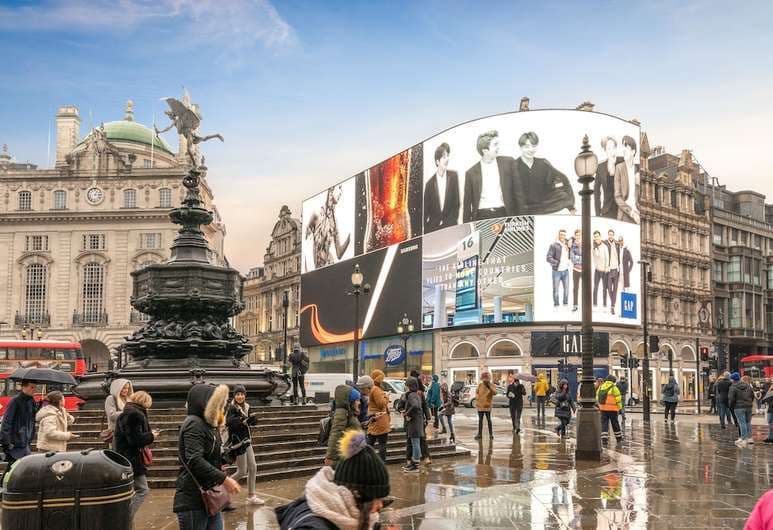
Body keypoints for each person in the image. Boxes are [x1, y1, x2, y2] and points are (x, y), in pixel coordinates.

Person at [275, 429, 390, 530]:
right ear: (355, 494)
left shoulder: (332, 510)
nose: (380, 505)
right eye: (376, 498)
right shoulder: (313, 526)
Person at [174, 383, 241, 529]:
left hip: (209, 495)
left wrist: (228, 455)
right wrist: (225, 479)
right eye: (216, 404)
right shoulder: (194, 423)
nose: (220, 408)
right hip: (194, 500)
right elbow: (195, 460)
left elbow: (208, 455)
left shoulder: (209, 426)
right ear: (204, 403)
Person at [115, 390, 159, 520]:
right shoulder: (135, 415)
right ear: (144, 401)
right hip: (132, 458)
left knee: (130, 490)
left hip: (125, 456)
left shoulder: (128, 412)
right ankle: (123, 518)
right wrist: (152, 436)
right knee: (142, 489)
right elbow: (135, 439)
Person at [462, 130, 524, 222]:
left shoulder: (509, 163)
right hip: (481, 217)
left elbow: (519, 194)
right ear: (485, 151)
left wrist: (523, 218)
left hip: (505, 214)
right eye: (495, 145)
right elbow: (467, 205)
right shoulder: (470, 173)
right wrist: (466, 228)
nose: (498, 147)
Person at [515, 131, 576, 215]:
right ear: (521, 147)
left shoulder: (543, 163)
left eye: (533, 146)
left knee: (563, 196)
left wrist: (570, 205)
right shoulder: (514, 166)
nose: (531, 150)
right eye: (527, 146)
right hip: (526, 207)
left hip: (544, 204)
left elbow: (563, 179)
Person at [225, 385, 263, 505]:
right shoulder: (231, 408)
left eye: (242, 394)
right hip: (238, 443)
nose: (240, 396)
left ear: (245, 395)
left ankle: (251, 496)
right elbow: (230, 423)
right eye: (237, 394)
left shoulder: (247, 406)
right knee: (242, 471)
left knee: (253, 467)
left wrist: (253, 421)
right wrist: (242, 421)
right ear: (234, 396)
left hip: (247, 441)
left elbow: (249, 422)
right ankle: (222, 489)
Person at [424, 142, 460, 233]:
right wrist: (429, 229)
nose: (447, 159)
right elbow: (425, 212)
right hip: (434, 230)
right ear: (437, 161)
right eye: (444, 157)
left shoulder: (453, 176)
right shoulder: (429, 184)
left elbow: (457, 203)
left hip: (450, 227)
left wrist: (450, 223)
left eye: (447, 156)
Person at [0, 379, 38, 467]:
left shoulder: (32, 401)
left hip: (25, 444)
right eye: (31, 387)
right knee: (14, 472)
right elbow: (6, 423)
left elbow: (31, 420)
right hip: (15, 445)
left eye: (35, 387)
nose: (34, 390)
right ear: (23, 387)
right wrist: (7, 444)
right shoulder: (15, 401)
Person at [325, 384, 361, 466]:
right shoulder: (342, 413)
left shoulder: (349, 413)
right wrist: (330, 456)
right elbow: (336, 432)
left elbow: (350, 427)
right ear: (350, 401)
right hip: (344, 458)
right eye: (357, 400)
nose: (359, 402)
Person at [613, 135, 640, 224]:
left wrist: (638, 185)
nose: (623, 150)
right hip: (625, 215)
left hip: (639, 214)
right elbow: (617, 197)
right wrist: (632, 213)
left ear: (633, 151)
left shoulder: (638, 170)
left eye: (626, 147)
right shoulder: (619, 168)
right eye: (622, 147)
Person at [593, 136, 621, 220]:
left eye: (614, 147)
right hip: (607, 210)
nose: (612, 151)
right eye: (609, 148)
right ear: (605, 150)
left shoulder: (623, 161)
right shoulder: (600, 167)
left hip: (622, 210)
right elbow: (596, 193)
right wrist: (598, 215)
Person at [402, 376, 426, 473]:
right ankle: (413, 463)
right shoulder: (415, 394)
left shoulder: (412, 395)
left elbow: (415, 406)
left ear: (410, 386)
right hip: (416, 422)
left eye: (406, 385)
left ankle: (415, 465)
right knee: (415, 443)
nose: (405, 387)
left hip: (414, 423)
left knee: (415, 443)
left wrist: (407, 414)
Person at [366, 370, 391, 462]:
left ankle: (367, 460)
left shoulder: (373, 388)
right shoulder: (376, 389)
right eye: (381, 378)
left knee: (371, 441)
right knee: (382, 443)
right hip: (380, 419)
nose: (382, 380)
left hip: (376, 418)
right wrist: (386, 397)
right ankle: (381, 462)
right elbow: (381, 405)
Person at [105, 378, 133, 448]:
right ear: (118, 388)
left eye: (127, 388)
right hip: (116, 433)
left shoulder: (128, 399)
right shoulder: (111, 398)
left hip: (129, 432)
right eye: (124, 388)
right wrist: (127, 412)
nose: (126, 390)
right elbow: (112, 415)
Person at [729, 373, 755, 447]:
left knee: (742, 422)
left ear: (733, 379)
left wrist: (731, 406)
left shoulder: (733, 387)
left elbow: (731, 399)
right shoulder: (747, 385)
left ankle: (743, 439)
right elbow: (752, 395)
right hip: (749, 406)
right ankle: (749, 438)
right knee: (748, 422)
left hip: (738, 407)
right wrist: (749, 402)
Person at [546, 230, 571, 308]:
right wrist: (557, 262)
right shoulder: (554, 245)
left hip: (566, 271)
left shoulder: (567, 244)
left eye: (564, 235)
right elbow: (548, 258)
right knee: (556, 290)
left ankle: (565, 303)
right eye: (561, 235)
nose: (563, 236)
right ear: (558, 235)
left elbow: (573, 239)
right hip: (556, 272)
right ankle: (556, 304)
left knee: (566, 289)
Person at [597, 375, 623, 445]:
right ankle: (618, 438)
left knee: (604, 424)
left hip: (603, 409)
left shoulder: (601, 386)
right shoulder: (614, 388)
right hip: (612, 409)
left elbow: (597, 397)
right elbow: (618, 399)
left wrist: (600, 406)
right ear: (613, 381)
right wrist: (620, 408)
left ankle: (604, 439)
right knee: (615, 423)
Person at [474, 372, 496, 440]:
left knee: (489, 420)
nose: (485, 380)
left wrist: (489, 387)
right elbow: (477, 392)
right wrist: (477, 400)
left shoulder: (491, 385)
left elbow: (495, 392)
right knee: (480, 420)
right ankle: (479, 434)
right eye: (484, 378)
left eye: (486, 378)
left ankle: (491, 434)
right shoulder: (480, 385)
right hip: (480, 405)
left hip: (487, 405)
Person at [604, 229, 622, 315]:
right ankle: (612, 303)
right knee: (608, 287)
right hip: (609, 269)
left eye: (612, 234)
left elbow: (619, 255)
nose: (610, 236)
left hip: (616, 269)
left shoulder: (617, 244)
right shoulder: (605, 243)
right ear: (608, 235)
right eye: (609, 234)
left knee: (615, 289)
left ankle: (612, 306)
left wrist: (619, 266)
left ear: (613, 235)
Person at [592, 231, 610, 308]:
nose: (596, 238)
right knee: (595, 287)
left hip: (604, 271)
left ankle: (604, 304)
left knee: (604, 288)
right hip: (597, 270)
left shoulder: (604, 246)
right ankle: (594, 304)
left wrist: (606, 268)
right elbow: (597, 255)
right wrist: (595, 247)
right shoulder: (594, 247)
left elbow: (607, 258)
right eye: (595, 236)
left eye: (597, 236)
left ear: (600, 236)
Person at [569, 229, 582, 312]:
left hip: (585, 270)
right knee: (575, 288)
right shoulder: (573, 245)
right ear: (575, 236)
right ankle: (575, 305)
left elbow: (587, 257)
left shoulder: (585, 244)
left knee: (585, 288)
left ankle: (585, 306)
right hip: (575, 270)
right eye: (576, 235)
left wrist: (578, 257)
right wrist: (580, 258)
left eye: (579, 235)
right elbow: (572, 258)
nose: (578, 236)